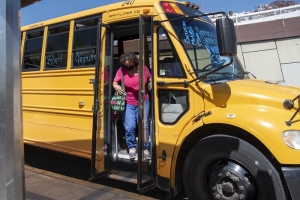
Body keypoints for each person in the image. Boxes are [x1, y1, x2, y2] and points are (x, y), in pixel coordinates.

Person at [112, 52, 152, 160]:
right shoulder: (122, 70)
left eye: (131, 66)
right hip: (128, 103)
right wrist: (116, 87)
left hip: (143, 101)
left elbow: (150, 78)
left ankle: (145, 148)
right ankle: (132, 147)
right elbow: (114, 82)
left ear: (135, 62)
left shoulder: (143, 69)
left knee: (144, 126)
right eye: (126, 66)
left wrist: (150, 83)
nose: (129, 68)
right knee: (130, 127)